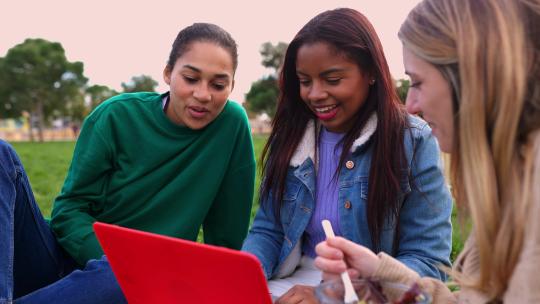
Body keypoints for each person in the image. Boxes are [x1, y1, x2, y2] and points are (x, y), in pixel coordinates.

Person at [0, 22, 255, 303]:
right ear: (168, 73)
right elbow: (69, 210)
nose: (204, 94)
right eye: (191, 78)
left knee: (125, 278)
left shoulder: (231, 125)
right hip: (61, 261)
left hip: (137, 284)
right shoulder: (114, 117)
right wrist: (118, 262)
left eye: (218, 84)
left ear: (231, 86)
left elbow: (227, 243)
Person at [315, 0, 540, 302]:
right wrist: (379, 275)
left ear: (473, 79)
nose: (411, 105)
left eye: (418, 82)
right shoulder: (513, 183)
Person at [241, 8, 453, 302]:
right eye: (305, 81)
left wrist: (327, 295)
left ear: (370, 73)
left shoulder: (413, 141)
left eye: (332, 79)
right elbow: (268, 230)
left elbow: (428, 262)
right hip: (286, 286)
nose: (315, 94)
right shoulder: (291, 137)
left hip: (366, 295)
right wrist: (244, 279)